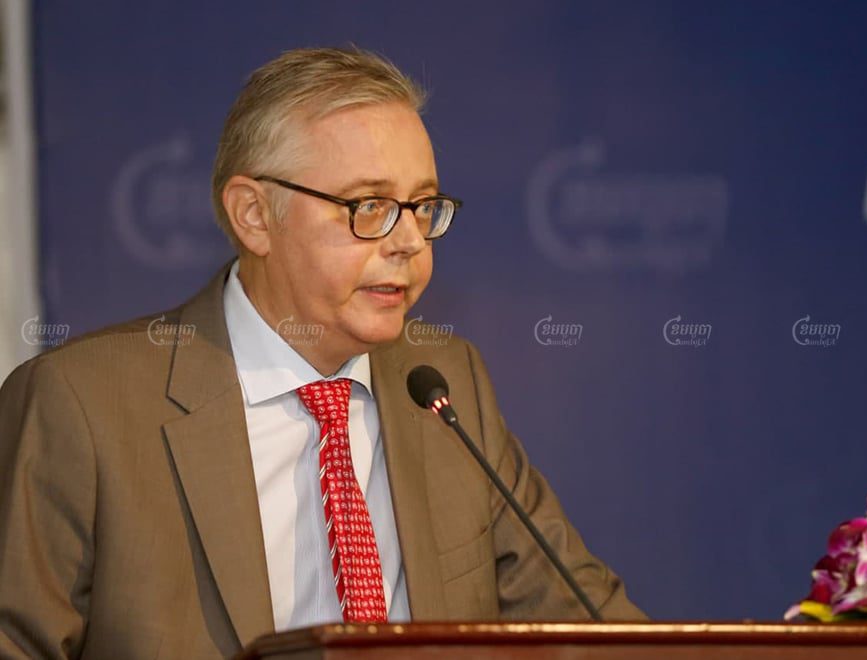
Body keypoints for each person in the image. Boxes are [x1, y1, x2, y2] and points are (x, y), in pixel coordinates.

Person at [0, 47, 645, 659]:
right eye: (369, 206)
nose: (410, 243)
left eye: (421, 207)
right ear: (254, 215)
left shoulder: (446, 385)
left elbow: (587, 621)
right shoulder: (80, 407)